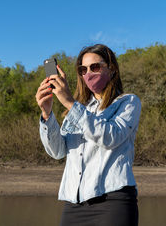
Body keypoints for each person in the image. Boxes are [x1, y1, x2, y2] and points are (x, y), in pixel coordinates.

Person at [35, 44, 141, 226]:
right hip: (74, 205)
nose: (89, 73)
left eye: (96, 67)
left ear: (112, 69)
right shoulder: (78, 110)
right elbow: (58, 151)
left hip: (114, 202)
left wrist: (70, 103)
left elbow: (110, 137)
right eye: (83, 69)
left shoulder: (128, 102)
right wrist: (47, 115)